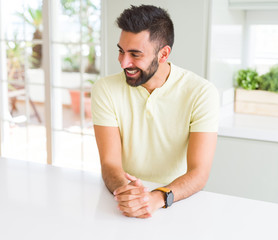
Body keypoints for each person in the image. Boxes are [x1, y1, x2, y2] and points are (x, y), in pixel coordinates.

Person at [91, 4, 219, 219]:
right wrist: (129, 193)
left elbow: (199, 173)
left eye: (135, 54)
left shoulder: (201, 93)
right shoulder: (105, 89)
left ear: (163, 54)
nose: (124, 62)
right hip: (122, 200)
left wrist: (156, 198)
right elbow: (110, 163)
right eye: (121, 51)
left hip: (177, 199)